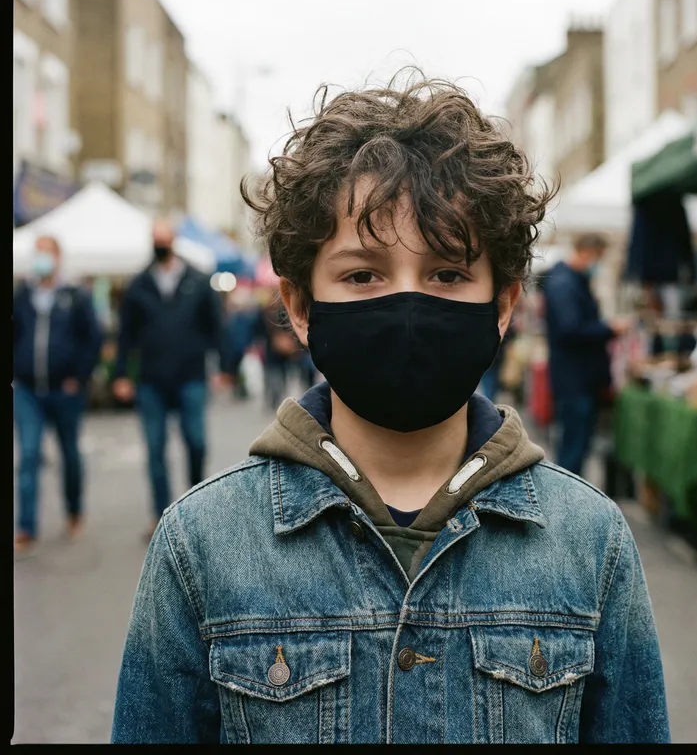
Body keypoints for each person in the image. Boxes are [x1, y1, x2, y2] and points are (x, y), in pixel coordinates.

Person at [112, 72, 669, 744]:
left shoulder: (592, 541)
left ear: (503, 305)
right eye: (362, 275)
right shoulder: (199, 546)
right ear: (300, 306)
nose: (407, 306)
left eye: (448, 273)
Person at [112, 219, 234, 539]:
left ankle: (195, 509)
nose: (160, 245)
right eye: (156, 240)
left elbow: (216, 327)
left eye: (164, 240)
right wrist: (121, 374)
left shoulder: (197, 280)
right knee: (155, 451)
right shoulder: (139, 284)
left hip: (190, 376)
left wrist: (225, 367)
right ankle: (160, 516)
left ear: (174, 241)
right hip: (151, 380)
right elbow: (125, 335)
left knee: (196, 442)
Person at [13, 235, 103, 554]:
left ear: (58, 257)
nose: (41, 259)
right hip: (27, 390)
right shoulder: (22, 296)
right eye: (37, 253)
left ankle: (74, 511)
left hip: (65, 389)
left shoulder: (74, 296)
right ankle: (26, 526)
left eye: (46, 253)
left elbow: (93, 337)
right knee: (28, 456)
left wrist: (78, 377)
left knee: (69, 454)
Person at [541, 234, 629, 478]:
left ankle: (567, 491)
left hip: (579, 377)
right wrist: (609, 328)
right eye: (598, 257)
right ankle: (565, 496)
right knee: (573, 446)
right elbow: (571, 329)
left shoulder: (571, 281)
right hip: (574, 378)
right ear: (588, 253)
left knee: (576, 443)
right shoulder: (564, 284)